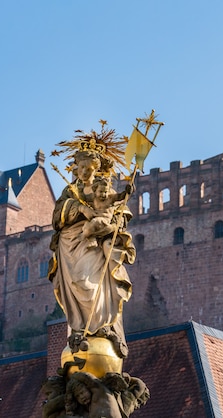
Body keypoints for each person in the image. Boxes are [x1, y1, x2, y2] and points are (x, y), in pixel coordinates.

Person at [49, 147, 135, 358]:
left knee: (92, 285)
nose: (86, 172)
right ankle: (81, 327)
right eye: (82, 167)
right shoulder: (70, 192)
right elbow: (57, 216)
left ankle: (101, 326)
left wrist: (116, 216)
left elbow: (120, 211)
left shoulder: (103, 189)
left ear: (97, 170)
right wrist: (80, 208)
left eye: (90, 168)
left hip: (97, 244)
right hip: (71, 245)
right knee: (77, 282)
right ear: (76, 168)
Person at [81, 177, 132, 248]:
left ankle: (82, 237)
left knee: (94, 222)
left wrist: (128, 191)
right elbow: (82, 197)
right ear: (95, 191)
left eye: (105, 192)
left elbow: (121, 196)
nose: (103, 195)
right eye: (101, 192)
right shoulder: (93, 198)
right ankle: (92, 241)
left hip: (105, 220)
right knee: (87, 226)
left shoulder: (110, 198)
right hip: (95, 220)